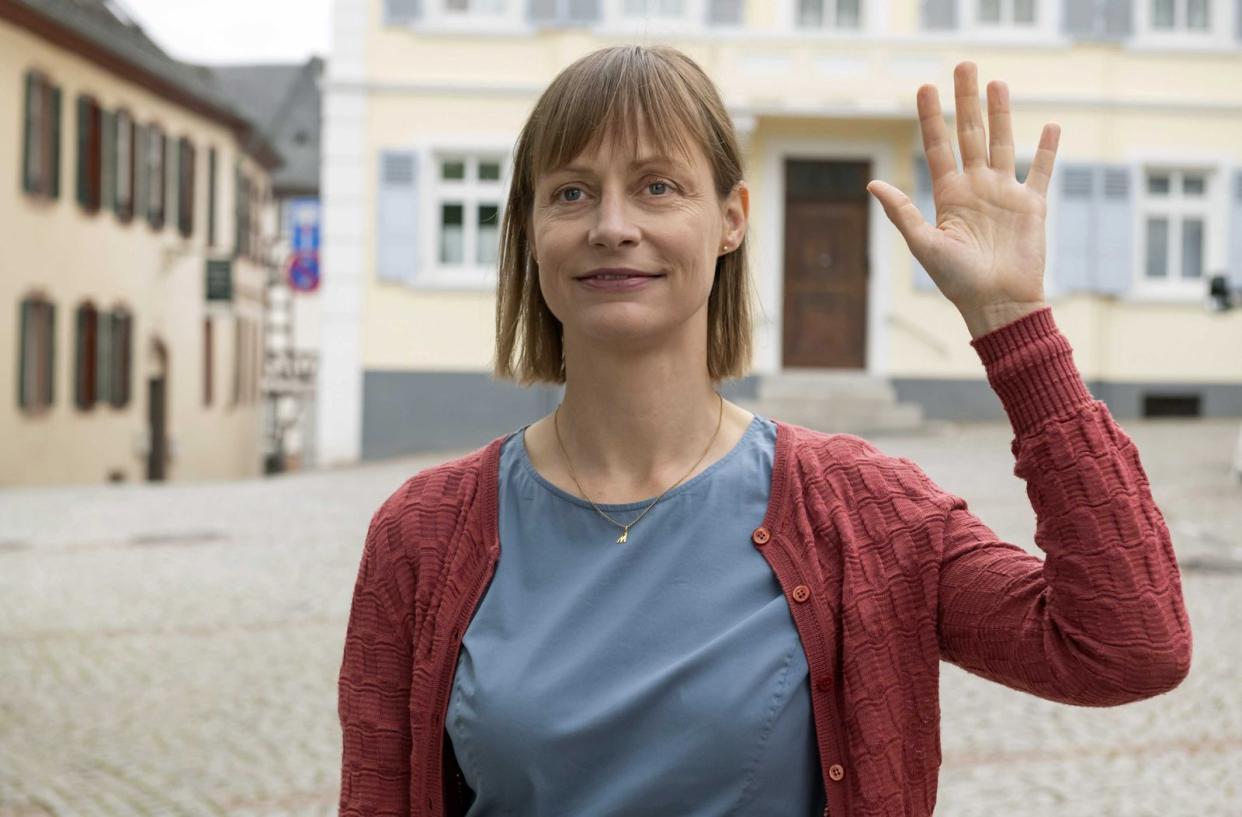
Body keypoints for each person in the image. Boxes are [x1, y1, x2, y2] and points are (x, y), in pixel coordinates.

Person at [337, 45, 1192, 817]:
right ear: (530, 230)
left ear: (732, 218)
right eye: (571, 192)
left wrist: (1012, 323)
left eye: (657, 185)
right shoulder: (423, 535)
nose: (612, 224)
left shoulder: (862, 514)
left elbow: (1127, 645)